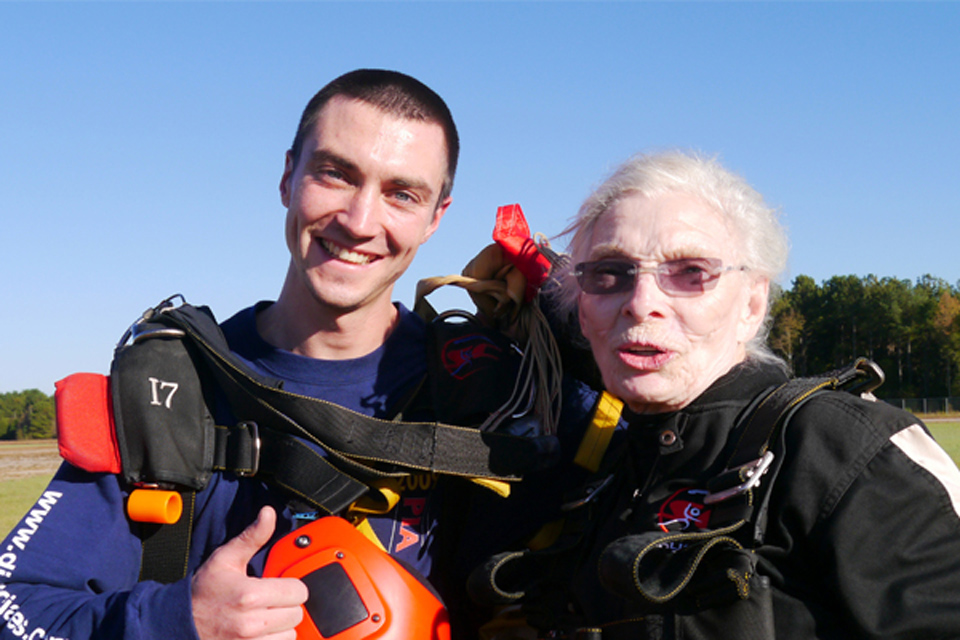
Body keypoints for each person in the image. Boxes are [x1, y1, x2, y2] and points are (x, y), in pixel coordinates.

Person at [0, 68, 483, 640]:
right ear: (288, 177)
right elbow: (15, 607)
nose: (359, 221)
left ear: (436, 218)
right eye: (335, 174)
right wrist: (177, 621)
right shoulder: (169, 393)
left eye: (402, 194)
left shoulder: (487, 395)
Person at [485, 151, 960, 639]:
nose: (641, 303)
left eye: (691, 272)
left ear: (752, 304)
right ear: (582, 312)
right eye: (609, 273)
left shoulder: (840, 450)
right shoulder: (604, 473)